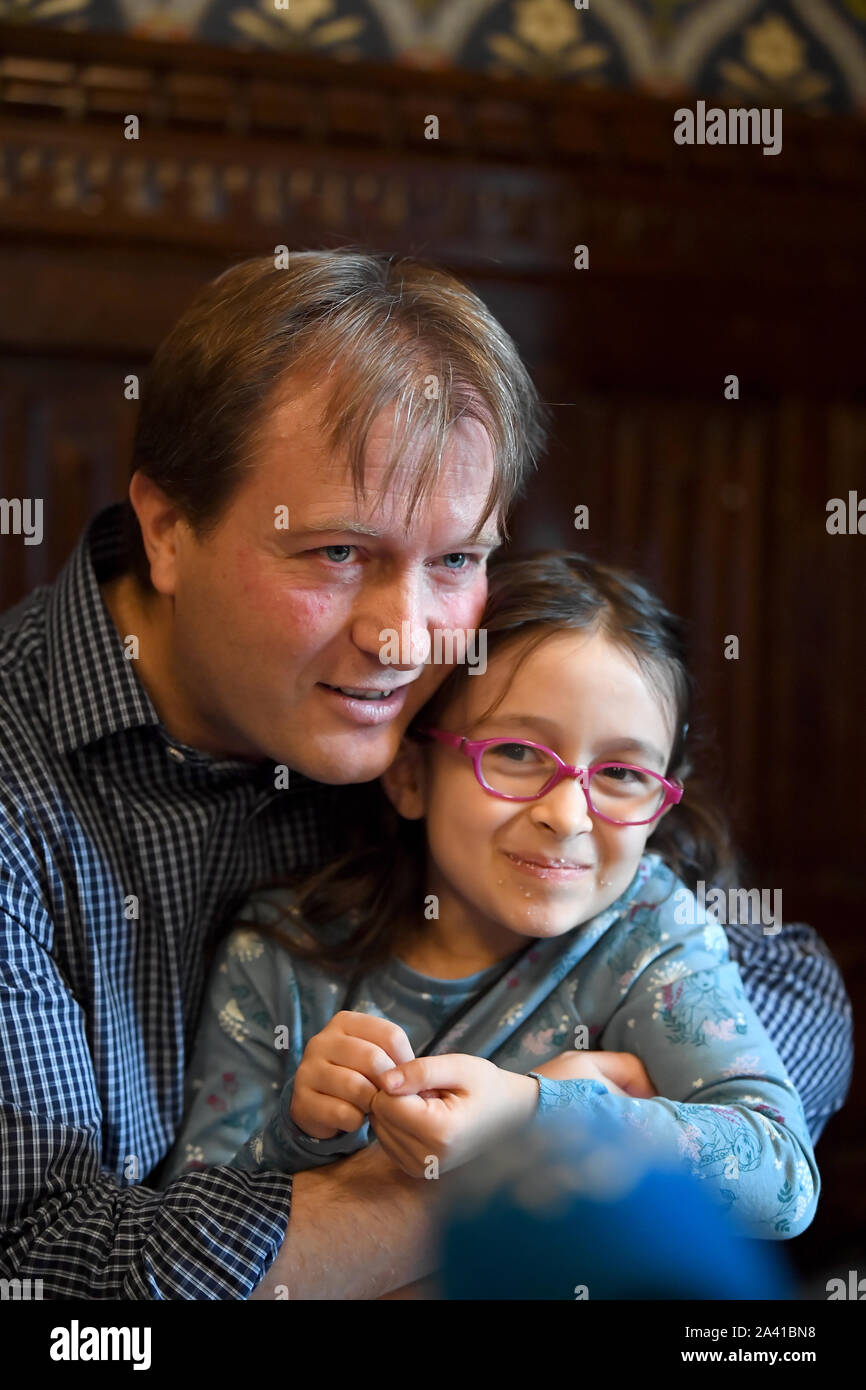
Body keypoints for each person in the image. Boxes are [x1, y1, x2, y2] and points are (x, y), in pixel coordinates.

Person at [0, 251, 851, 1301]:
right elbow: (46, 1277)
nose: (405, 638)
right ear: (168, 529)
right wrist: (519, 1150)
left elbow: (779, 980)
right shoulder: (18, 790)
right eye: (336, 554)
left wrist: (577, 1112)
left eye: (455, 559)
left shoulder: (445, 710)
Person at [161, 553, 824, 1269]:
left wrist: (535, 1112)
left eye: (624, 774)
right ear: (411, 775)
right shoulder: (282, 953)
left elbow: (782, 1179)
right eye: (515, 753)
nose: (567, 815)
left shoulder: (648, 935)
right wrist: (298, 1135)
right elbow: (190, 1245)